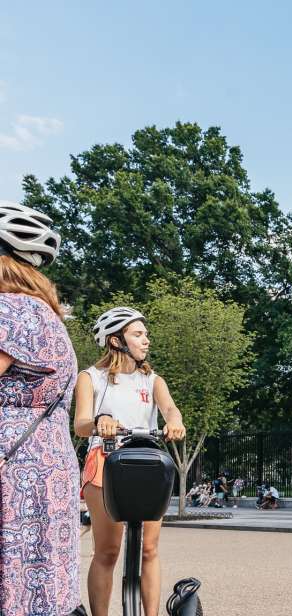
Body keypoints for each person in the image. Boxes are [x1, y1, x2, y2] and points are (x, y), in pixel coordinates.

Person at [73, 305, 187, 616]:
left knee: (149, 550)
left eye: (145, 334)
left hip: (147, 462)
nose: (146, 340)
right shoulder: (90, 377)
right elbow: (81, 424)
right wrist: (101, 420)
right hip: (105, 462)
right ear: (115, 340)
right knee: (107, 551)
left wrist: (175, 422)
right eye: (138, 334)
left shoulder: (152, 380)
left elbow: (171, 410)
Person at [0, 202, 84, 616]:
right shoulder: (44, 314)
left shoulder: (7, 310)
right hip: (48, 466)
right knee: (43, 585)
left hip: (13, 474)